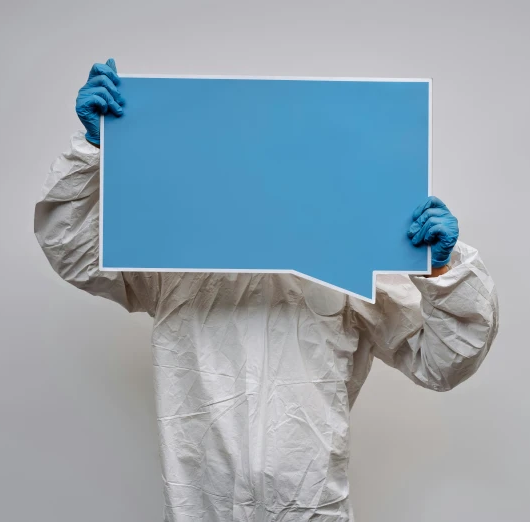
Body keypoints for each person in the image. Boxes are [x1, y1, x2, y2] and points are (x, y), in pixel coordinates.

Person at [34, 59, 499, 522]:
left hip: (310, 507)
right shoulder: (177, 246)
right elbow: (75, 251)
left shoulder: (350, 255)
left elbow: (441, 362)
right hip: (199, 507)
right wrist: (95, 151)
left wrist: (443, 270)